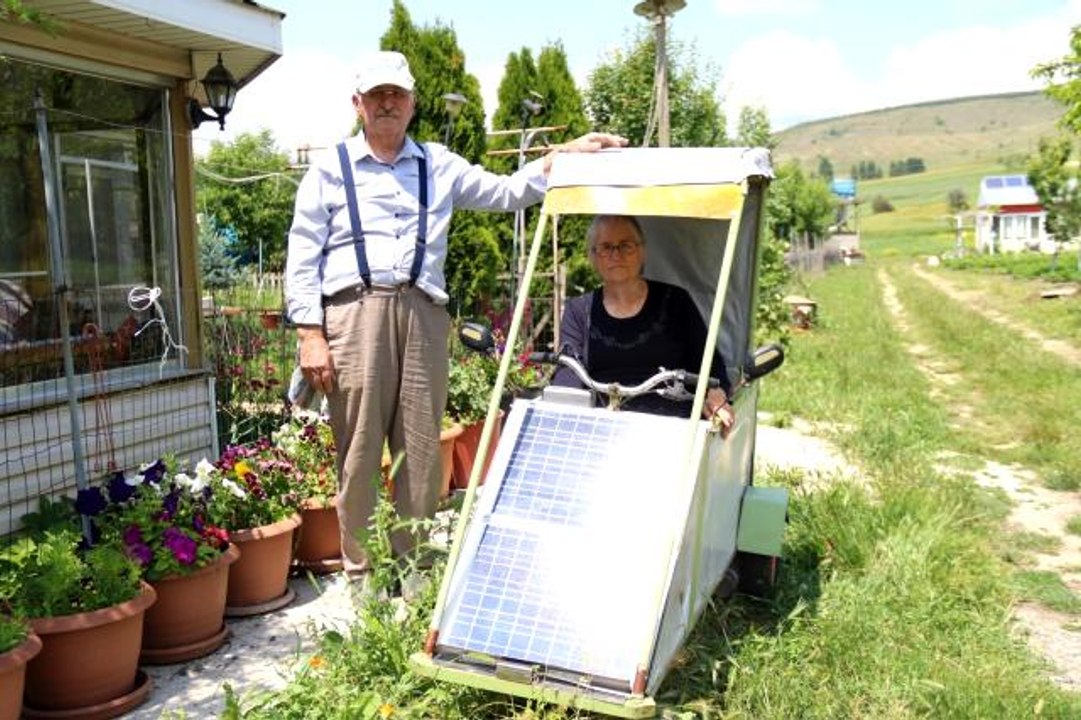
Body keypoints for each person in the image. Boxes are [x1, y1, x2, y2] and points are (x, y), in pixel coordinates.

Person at [284, 50, 626, 584]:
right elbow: (303, 252)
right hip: (352, 313)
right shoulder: (330, 169)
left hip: (423, 314)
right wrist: (310, 333)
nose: (387, 103)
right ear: (358, 104)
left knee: (420, 447)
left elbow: (509, 192)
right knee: (358, 448)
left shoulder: (437, 164)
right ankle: (363, 573)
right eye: (377, 95)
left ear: (412, 103)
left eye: (396, 94)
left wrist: (563, 155)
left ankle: (414, 565)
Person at [553, 215, 734, 426]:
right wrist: (561, 410)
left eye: (625, 245)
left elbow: (708, 362)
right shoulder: (578, 310)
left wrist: (715, 392)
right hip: (603, 424)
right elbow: (568, 372)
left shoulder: (676, 301)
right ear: (593, 256)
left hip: (672, 425)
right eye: (605, 246)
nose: (616, 254)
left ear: (642, 251)